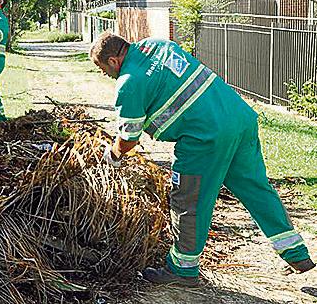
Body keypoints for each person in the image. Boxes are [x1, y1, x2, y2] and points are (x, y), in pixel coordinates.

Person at [90, 32, 314, 286]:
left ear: (112, 61)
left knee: (189, 199)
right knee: (257, 188)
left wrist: (114, 155)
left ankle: (183, 270)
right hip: (239, 119)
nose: (105, 75)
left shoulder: (129, 82)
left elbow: (129, 137)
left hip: (205, 138)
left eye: (101, 68)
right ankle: (296, 254)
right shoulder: (158, 45)